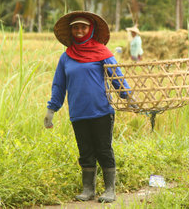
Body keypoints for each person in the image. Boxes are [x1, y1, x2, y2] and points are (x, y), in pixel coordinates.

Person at [44, 11, 131, 203]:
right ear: (71, 30)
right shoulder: (66, 57)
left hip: (101, 110)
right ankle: (88, 189)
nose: (80, 30)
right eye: (76, 27)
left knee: (103, 149)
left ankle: (110, 189)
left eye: (83, 27)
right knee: (85, 151)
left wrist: (127, 95)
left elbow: (116, 76)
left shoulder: (102, 53)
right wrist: (51, 110)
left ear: (90, 29)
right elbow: (59, 85)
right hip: (78, 112)